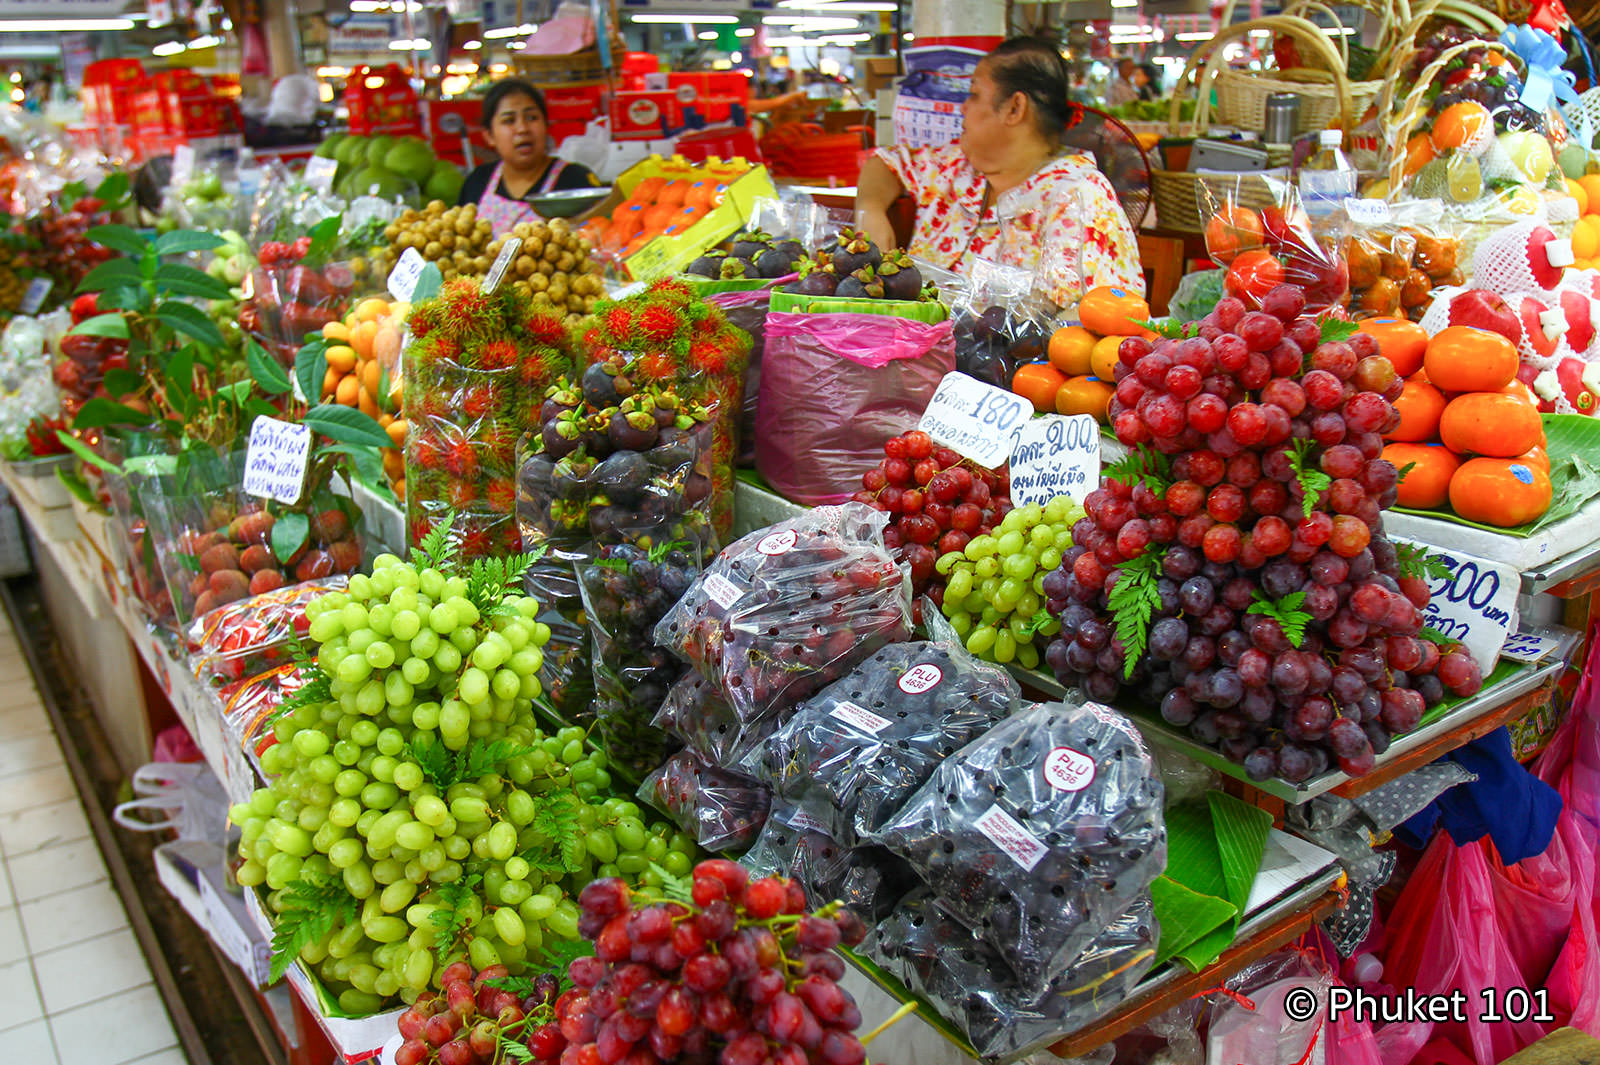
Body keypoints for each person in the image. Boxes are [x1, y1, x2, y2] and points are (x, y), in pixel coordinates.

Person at [855, 36, 1144, 309]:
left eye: (974, 95)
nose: (963, 108)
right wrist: (870, 211)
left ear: (1015, 108)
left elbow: (1088, 321)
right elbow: (885, 162)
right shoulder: (957, 167)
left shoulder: (1077, 196)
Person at [456, 78, 602, 236]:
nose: (522, 129)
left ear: (546, 125)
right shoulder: (477, 181)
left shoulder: (576, 180)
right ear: (489, 135)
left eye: (532, 118)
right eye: (509, 120)